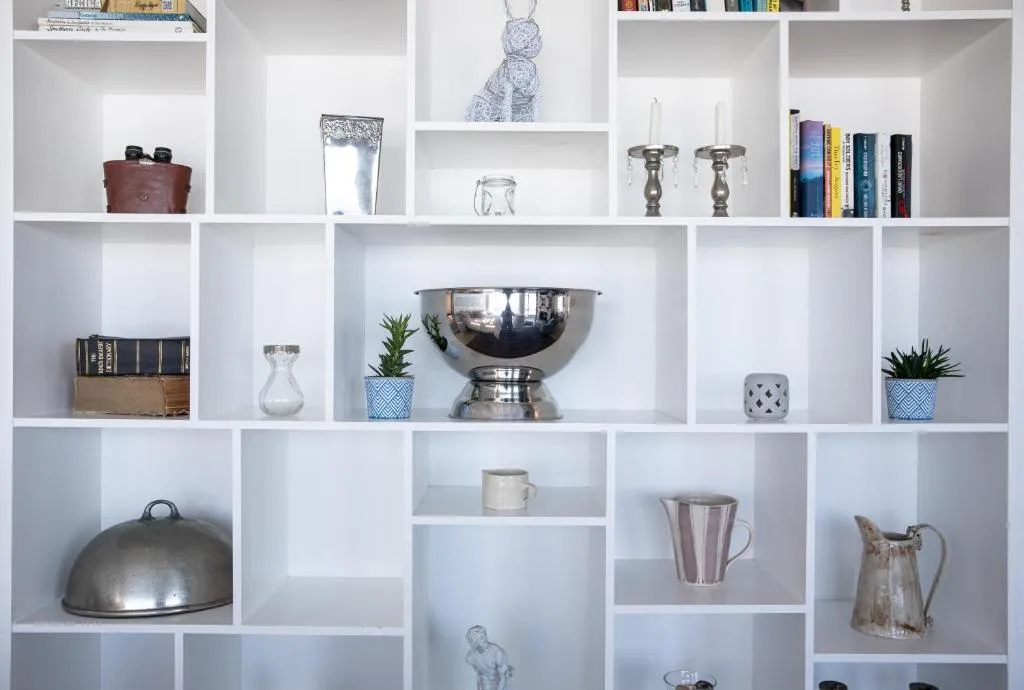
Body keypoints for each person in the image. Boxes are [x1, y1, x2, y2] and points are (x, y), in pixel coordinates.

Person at [465, 625, 513, 690]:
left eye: (483, 638)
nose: (482, 642)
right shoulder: (470, 657)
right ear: (472, 642)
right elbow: (479, 676)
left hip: (502, 686)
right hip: (486, 685)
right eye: (478, 639)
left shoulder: (498, 652)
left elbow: (503, 678)